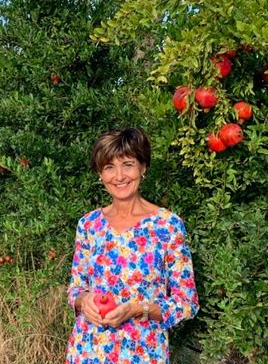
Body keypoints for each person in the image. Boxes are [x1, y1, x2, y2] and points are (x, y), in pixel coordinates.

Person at [65, 127, 199, 364]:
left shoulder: (167, 225)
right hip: (88, 350)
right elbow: (76, 287)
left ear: (143, 167)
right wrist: (83, 300)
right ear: (100, 174)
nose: (119, 176)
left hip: (143, 353)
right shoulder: (89, 225)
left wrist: (137, 309)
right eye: (109, 167)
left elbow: (187, 303)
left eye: (127, 164)